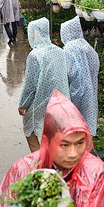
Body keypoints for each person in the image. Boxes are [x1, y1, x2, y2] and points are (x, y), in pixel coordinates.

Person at [18, 17, 70, 152]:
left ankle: (41, 166)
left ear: (34, 33)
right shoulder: (59, 51)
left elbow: (30, 86)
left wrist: (23, 105)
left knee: (32, 133)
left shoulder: (35, 55)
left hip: (42, 106)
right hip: (60, 104)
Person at [60, 16, 100, 136]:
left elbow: (70, 74)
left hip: (76, 96)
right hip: (90, 93)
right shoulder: (87, 46)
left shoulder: (70, 49)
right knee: (84, 128)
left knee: (72, 132)